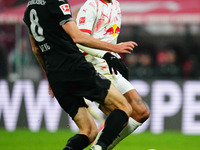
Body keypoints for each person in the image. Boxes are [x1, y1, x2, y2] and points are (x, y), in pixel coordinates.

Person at [23, 0, 138, 150]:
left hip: (55, 75)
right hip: (74, 67)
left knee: (89, 131)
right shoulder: (57, 2)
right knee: (124, 108)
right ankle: (99, 148)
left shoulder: (29, 8)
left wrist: (49, 76)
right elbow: (78, 37)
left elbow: (36, 49)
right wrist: (114, 48)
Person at [76, 0, 150, 149]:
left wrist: (116, 59)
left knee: (141, 112)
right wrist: (106, 55)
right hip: (93, 69)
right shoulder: (91, 6)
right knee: (120, 115)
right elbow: (79, 41)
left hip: (110, 67)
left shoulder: (115, 5)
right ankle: (99, 147)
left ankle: (98, 147)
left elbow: (108, 39)